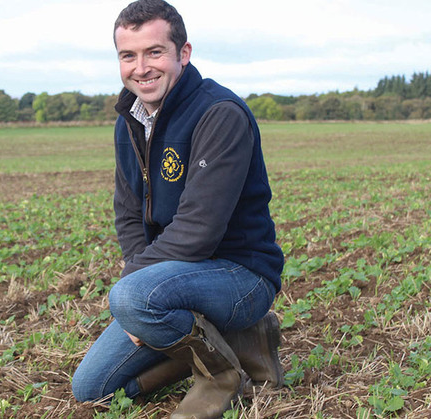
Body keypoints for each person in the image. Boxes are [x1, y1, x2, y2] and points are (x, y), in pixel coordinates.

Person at [72, 0, 285, 417]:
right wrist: (140, 296)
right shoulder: (129, 119)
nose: (141, 67)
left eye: (154, 52)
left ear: (182, 54)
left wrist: (136, 296)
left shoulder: (219, 114)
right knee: (91, 388)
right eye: (128, 56)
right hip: (171, 278)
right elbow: (129, 212)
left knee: (132, 297)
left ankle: (223, 373)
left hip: (239, 275)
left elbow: (198, 230)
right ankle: (239, 344)